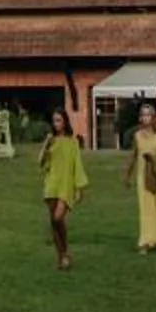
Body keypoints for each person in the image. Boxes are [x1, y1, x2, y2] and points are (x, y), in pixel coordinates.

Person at [38, 106, 90, 269]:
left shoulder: (72, 142)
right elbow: (41, 163)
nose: (56, 124)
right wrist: (46, 145)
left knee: (58, 218)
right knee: (53, 223)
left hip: (66, 186)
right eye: (54, 121)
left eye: (59, 120)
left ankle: (65, 252)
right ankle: (61, 257)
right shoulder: (51, 140)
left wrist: (79, 188)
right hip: (51, 184)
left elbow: (77, 165)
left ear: (65, 121)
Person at [123, 98, 156, 253]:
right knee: (146, 208)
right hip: (142, 176)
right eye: (143, 115)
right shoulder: (137, 136)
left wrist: (155, 158)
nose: (145, 118)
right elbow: (133, 156)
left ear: (153, 118)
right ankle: (146, 241)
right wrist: (127, 175)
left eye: (148, 115)